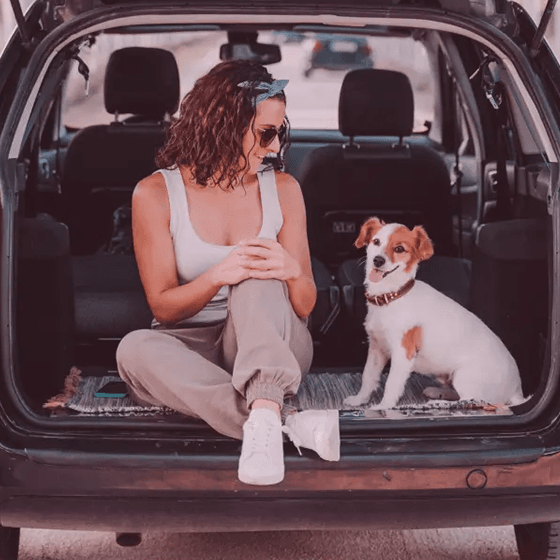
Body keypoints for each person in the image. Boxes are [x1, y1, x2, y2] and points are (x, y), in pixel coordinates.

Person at [116, 59, 340, 486]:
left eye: (280, 132)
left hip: (271, 343)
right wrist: (219, 274)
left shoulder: (286, 189)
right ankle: (281, 421)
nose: (275, 147)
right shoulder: (156, 192)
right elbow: (163, 308)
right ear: (221, 124)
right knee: (132, 349)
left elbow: (306, 302)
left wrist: (291, 271)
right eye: (265, 133)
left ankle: (266, 401)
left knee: (256, 273)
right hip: (192, 348)